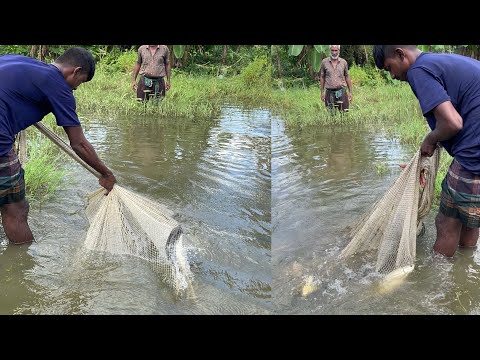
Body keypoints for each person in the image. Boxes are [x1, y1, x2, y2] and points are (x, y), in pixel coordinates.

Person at [0, 47, 116, 245]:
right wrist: (106, 173)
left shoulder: (18, 61)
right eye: (79, 83)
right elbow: (79, 143)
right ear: (76, 71)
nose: (75, 89)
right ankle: (23, 262)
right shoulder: (58, 86)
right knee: (15, 209)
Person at [373, 45, 480, 257]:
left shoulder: (418, 71)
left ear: (400, 54)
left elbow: (452, 123)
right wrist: (422, 156)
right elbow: (462, 113)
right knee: (469, 217)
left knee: (446, 222)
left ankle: (439, 283)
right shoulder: (439, 62)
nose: (392, 76)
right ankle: (466, 266)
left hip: (474, 157)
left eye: (389, 68)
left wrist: (430, 139)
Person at [319, 45, 353, 111]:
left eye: (336, 50)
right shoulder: (324, 62)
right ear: (330, 50)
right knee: (331, 114)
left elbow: (347, 76)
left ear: (339, 51)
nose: (334, 53)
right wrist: (322, 92)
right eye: (332, 50)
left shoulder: (343, 62)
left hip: (341, 92)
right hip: (329, 92)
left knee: (344, 113)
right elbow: (322, 77)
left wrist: (350, 92)